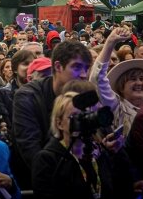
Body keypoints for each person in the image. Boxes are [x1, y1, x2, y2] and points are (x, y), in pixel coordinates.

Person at [31, 88, 136, 199]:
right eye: (76, 116)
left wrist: (118, 154)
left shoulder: (99, 153)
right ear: (59, 123)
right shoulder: (47, 159)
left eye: (86, 114)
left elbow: (124, 190)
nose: (84, 120)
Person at [12, 40, 93, 170]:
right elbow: (31, 149)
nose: (84, 74)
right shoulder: (28, 96)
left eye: (86, 68)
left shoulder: (88, 94)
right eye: (77, 67)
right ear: (58, 67)